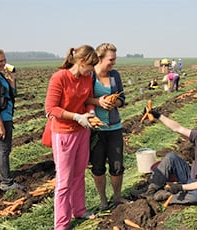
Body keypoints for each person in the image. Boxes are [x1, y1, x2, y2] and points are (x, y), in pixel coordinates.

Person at [45, 45, 99, 230]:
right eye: (91, 66)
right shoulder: (59, 77)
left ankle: (79, 210)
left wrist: (90, 114)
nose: (92, 70)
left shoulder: (86, 78)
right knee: (64, 180)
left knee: (79, 174)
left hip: (82, 131)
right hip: (64, 133)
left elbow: (88, 100)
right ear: (81, 61)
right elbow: (51, 108)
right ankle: (61, 224)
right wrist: (76, 117)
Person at [132, 108, 197, 205]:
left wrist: (181, 187)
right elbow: (178, 128)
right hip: (191, 176)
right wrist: (159, 116)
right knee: (171, 157)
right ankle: (149, 191)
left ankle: (168, 196)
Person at [86, 43, 128, 211]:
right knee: (98, 166)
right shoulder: (89, 76)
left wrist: (114, 101)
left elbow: (122, 98)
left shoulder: (114, 75)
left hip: (114, 128)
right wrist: (99, 102)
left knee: (117, 165)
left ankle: (117, 197)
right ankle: (103, 200)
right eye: (111, 59)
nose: (113, 63)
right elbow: (82, 99)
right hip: (96, 130)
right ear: (100, 58)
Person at [0, 47, 21, 190]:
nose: (4, 63)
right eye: (0, 61)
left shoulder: (0, 75)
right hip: (0, 119)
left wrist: (12, 80)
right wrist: (0, 125)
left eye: (5, 60)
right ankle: (6, 182)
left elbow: (12, 94)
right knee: (4, 150)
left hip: (0, 118)